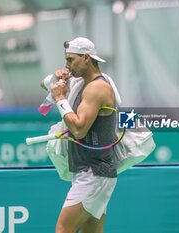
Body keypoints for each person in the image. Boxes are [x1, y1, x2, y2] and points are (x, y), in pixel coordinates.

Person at [47, 37, 118, 233]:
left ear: (86, 58)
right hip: (93, 172)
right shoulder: (82, 84)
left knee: (63, 228)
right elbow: (44, 85)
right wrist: (59, 82)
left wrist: (61, 98)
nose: (67, 65)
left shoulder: (97, 88)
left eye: (71, 60)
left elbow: (79, 130)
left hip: (94, 173)